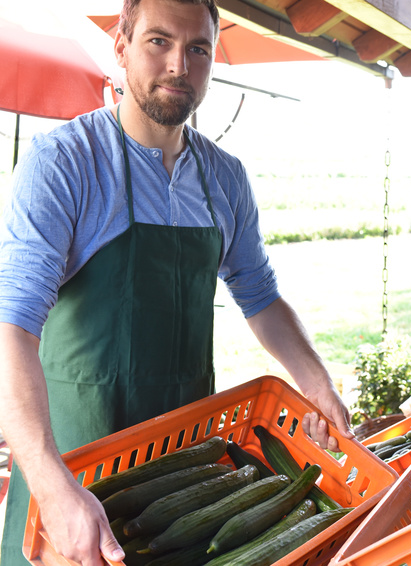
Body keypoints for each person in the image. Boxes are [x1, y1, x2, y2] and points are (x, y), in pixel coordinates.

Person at [0, 0, 354, 564]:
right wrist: (50, 482)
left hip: (180, 473)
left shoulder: (224, 177)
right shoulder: (63, 164)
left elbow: (259, 294)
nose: (178, 67)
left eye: (198, 50)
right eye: (158, 42)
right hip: (74, 466)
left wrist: (318, 385)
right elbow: (12, 328)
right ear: (121, 46)